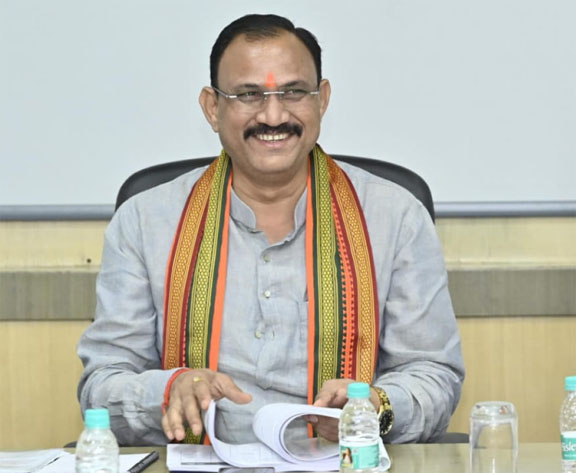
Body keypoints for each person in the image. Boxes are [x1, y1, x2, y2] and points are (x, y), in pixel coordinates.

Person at [77, 14, 464, 446]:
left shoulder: (395, 216)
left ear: (322, 100)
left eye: (294, 92)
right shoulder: (145, 221)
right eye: (248, 95)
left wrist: (376, 406)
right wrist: (166, 391)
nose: (274, 115)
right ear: (212, 107)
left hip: (347, 470)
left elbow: (434, 375)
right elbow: (103, 383)